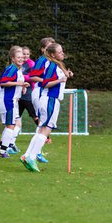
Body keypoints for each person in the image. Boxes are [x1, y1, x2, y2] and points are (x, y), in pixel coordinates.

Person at [20, 43, 73, 172]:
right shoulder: (51, 65)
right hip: (50, 99)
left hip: (50, 99)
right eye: (60, 52)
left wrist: (65, 76)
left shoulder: (56, 64)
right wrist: (60, 80)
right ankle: (32, 157)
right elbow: (46, 83)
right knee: (46, 129)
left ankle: (27, 155)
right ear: (53, 54)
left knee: (41, 129)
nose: (62, 53)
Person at [0, 46, 29, 158]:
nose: (21, 59)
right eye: (18, 57)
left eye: (22, 57)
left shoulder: (18, 70)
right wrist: (19, 84)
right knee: (10, 125)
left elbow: (16, 83)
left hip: (13, 100)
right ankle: (2, 151)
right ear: (13, 58)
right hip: (7, 100)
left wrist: (23, 86)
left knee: (13, 124)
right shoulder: (12, 69)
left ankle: (1, 146)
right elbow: (3, 82)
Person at [29, 37, 55, 152]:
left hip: (45, 92)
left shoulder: (52, 62)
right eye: (48, 47)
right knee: (42, 123)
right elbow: (32, 76)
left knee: (43, 123)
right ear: (43, 49)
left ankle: (36, 151)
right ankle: (34, 152)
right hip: (40, 92)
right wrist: (46, 81)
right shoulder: (42, 60)